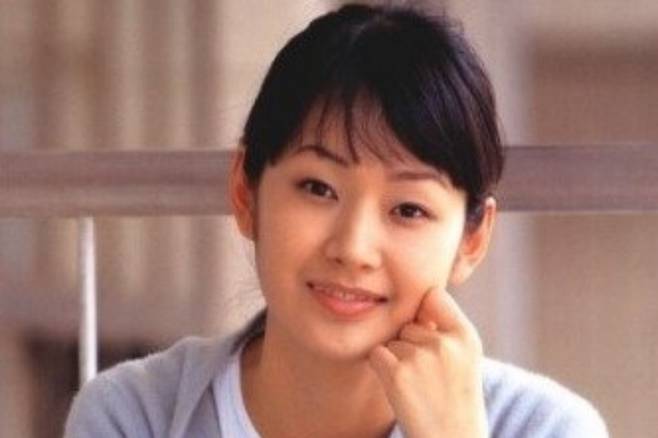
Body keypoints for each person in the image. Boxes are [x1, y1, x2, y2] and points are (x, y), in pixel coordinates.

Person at [65, 3, 608, 437]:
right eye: (318, 188)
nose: (353, 247)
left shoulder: (546, 428)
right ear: (246, 192)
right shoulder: (137, 416)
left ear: (472, 239)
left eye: (408, 210)